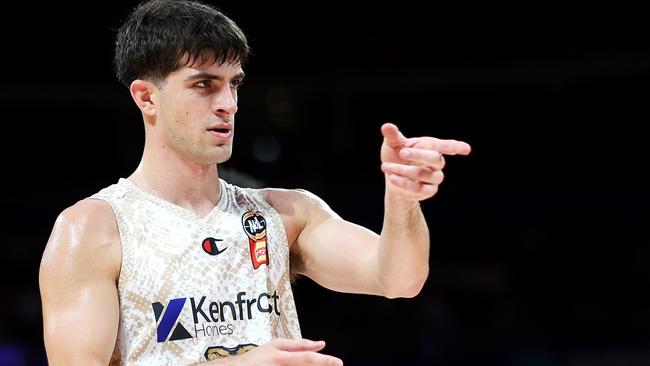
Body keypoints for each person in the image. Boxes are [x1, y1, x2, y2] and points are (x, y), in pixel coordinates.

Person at [38, 0, 471, 365]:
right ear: (146, 97)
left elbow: (398, 280)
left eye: (234, 84)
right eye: (204, 85)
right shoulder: (93, 228)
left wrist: (401, 200)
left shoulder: (284, 214)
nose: (227, 104)